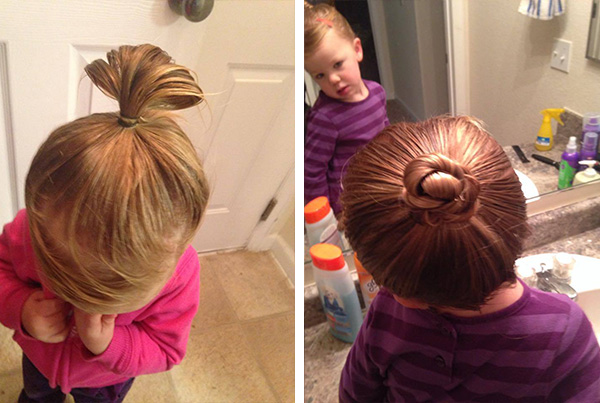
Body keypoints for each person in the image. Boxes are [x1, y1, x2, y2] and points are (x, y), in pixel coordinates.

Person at [0, 44, 210, 403]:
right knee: (35, 397)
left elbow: (166, 350)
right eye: (60, 279)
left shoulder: (179, 275)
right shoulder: (30, 230)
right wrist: (20, 307)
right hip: (39, 357)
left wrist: (110, 344)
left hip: (104, 378)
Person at [338, 116, 600, 402]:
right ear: (518, 219)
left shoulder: (388, 313)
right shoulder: (561, 329)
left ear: (400, 290)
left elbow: (355, 395)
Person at [304, 2, 389, 215]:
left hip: (381, 182)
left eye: (337, 64)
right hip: (349, 203)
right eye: (319, 75)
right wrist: (323, 215)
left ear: (357, 50)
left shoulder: (378, 92)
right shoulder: (325, 117)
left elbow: (386, 132)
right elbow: (312, 172)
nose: (333, 79)